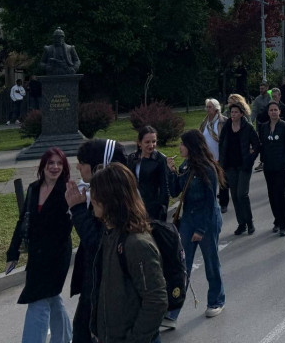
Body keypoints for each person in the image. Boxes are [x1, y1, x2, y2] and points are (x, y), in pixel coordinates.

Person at [88, 162, 168, 343]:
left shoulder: (136, 244)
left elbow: (156, 300)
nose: (91, 198)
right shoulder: (110, 234)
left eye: (96, 193)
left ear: (111, 198)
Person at [6, 148, 73, 343]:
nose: (55, 167)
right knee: (51, 296)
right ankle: (64, 338)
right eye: (51, 163)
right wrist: (13, 253)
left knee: (38, 300)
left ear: (64, 167)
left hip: (57, 256)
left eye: (59, 163)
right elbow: (22, 221)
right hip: (37, 255)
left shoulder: (67, 191)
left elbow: (68, 226)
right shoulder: (33, 188)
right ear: (43, 166)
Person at [65, 138, 129, 343]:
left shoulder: (114, 201)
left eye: (82, 163)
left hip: (105, 287)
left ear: (99, 166)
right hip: (95, 284)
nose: (78, 167)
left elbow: (97, 243)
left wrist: (77, 210)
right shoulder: (106, 193)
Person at [165, 130, 226, 321]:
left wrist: (201, 229)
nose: (180, 147)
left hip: (207, 220)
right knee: (182, 265)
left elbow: (210, 202)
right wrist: (171, 171)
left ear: (191, 146)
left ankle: (216, 301)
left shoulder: (208, 168)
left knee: (211, 262)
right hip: (188, 219)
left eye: (183, 144)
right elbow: (175, 192)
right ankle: (173, 311)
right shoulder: (185, 166)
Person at [218, 94, 261, 236]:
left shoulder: (247, 127)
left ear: (242, 114)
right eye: (232, 112)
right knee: (235, 196)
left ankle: (249, 222)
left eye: (236, 112)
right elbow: (221, 144)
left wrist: (250, 159)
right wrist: (222, 163)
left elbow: (257, 144)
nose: (233, 114)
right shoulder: (227, 127)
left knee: (242, 194)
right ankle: (241, 223)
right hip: (230, 166)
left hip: (244, 165)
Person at [258, 99, 285, 235]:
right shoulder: (264, 127)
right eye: (271, 110)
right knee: (272, 194)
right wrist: (262, 159)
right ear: (268, 112)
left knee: (280, 194)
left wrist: (283, 162)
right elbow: (262, 145)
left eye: (275, 110)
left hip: (282, 167)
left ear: (279, 111)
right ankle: (277, 220)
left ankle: (283, 224)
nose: (273, 112)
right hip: (269, 166)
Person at [127, 126, 170, 223]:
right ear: (139, 143)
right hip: (134, 205)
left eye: (154, 141)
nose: (151, 145)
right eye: (147, 142)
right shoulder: (132, 158)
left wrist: (163, 210)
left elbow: (164, 187)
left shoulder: (160, 159)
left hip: (152, 207)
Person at [199, 98, 228, 212]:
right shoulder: (204, 122)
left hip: (221, 156)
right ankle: (211, 202)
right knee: (209, 180)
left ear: (216, 108)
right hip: (207, 157)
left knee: (222, 180)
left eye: (210, 107)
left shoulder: (222, 121)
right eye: (207, 107)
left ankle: (224, 203)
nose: (208, 109)